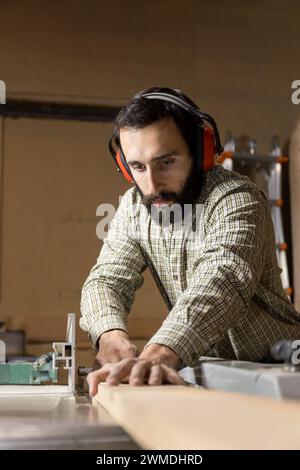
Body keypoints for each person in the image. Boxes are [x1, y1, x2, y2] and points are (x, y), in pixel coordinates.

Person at [80, 87, 300, 396]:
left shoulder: (236, 197)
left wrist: (160, 352)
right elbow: (106, 279)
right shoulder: (134, 207)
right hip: (210, 373)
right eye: (138, 167)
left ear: (200, 152)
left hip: (280, 374)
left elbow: (222, 279)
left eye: (166, 163)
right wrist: (110, 335)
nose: (152, 185)